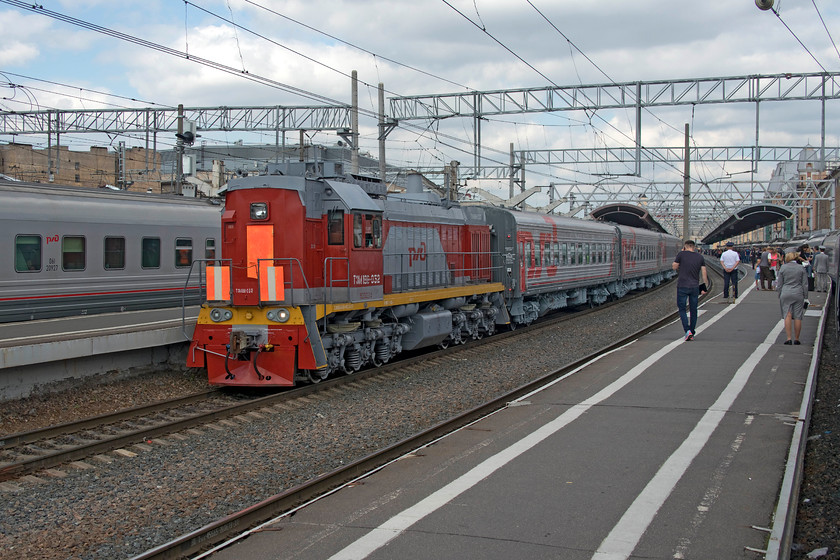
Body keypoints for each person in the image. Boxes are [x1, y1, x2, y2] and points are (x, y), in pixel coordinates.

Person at [673, 240, 709, 341]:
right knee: (694, 310)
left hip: (682, 286)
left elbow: (674, 267)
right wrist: (704, 287)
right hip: (694, 287)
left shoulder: (681, 254)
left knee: (682, 309)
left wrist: (680, 259)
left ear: (685, 247)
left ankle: (687, 331)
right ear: (694, 247)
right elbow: (704, 273)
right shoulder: (700, 257)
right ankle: (692, 331)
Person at [777, 251, 809, 345]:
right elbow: (805, 284)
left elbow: (779, 284)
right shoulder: (801, 268)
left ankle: (788, 338)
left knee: (787, 314)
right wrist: (806, 297)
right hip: (798, 293)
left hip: (786, 292)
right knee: (798, 316)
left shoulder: (783, 268)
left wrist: (779, 294)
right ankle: (797, 339)